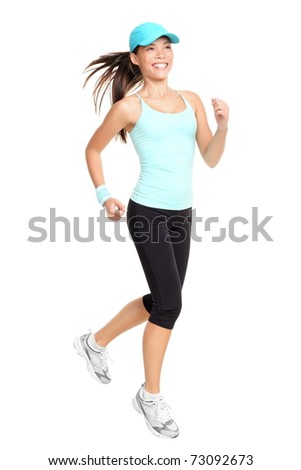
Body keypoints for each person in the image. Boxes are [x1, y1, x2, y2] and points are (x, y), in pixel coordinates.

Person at [74, 22, 229, 439]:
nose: (161, 54)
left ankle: (94, 342)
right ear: (135, 58)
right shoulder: (130, 107)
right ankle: (150, 396)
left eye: (167, 47)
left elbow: (210, 158)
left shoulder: (190, 99)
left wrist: (222, 125)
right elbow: (92, 148)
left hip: (182, 214)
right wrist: (104, 195)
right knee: (170, 305)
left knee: (162, 299)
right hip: (147, 213)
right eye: (151, 48)